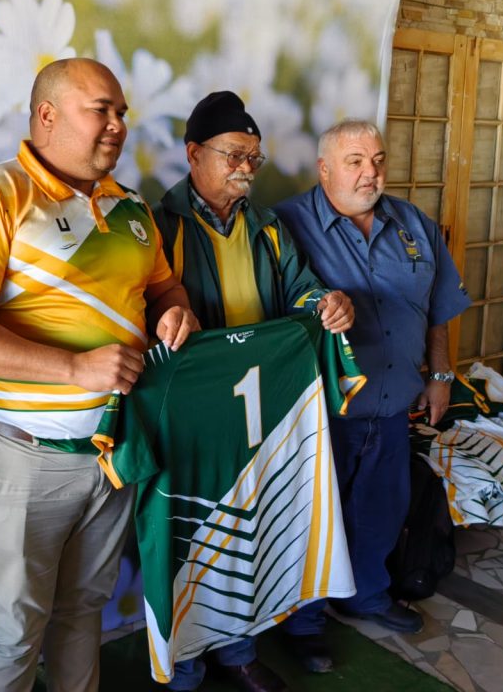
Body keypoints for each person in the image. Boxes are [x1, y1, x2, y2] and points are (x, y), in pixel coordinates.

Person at [0, 57, 198, 692]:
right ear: (46, 114)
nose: (118, 125)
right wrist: (75, 367)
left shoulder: (129, 206)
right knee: (15, 630)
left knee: (83, 615)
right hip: (22, 458)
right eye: (100, 109)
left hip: (112, 451)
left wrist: (174, 311)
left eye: (122, 112)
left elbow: (164, 287)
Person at [151, 91, 354, 692]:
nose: (245, 167)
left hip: (257, 407)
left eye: (254, 158)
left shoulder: (267, 228)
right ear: (194, 154)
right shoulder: (158, 226)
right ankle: (185, 665)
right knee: (194, 535)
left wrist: (329, 304)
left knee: (248, 525)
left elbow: (302, 289)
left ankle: (238, 651)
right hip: (190, 415)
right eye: (234, 154)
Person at [274, 118, 470, 664]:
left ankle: (367, 595)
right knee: (315, 516)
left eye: (378, 160)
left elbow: (438, 309)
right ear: (325, 169)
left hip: (393, 400)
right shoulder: (285, 225)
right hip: (321, 409)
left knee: (383, 506)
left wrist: (440, 375)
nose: (370, 172)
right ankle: (304, 621)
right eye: (356, 161)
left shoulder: (414, 224)